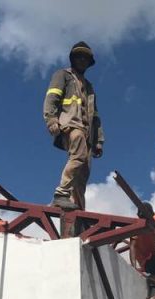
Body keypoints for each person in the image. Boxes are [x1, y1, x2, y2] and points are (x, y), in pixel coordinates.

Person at [43, 41, 104, 214]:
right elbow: (51, 98)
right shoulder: (63, 75)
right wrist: (52, 120)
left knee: (82, 173)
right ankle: (61, 194)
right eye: (80, 57)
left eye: (86, 58)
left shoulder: (89, 87)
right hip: (70, 125)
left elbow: (96, 116)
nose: (83, 61)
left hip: (87, 134)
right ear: (73, 59)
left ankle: (78, 211)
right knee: (78, 155)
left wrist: (98, 140)